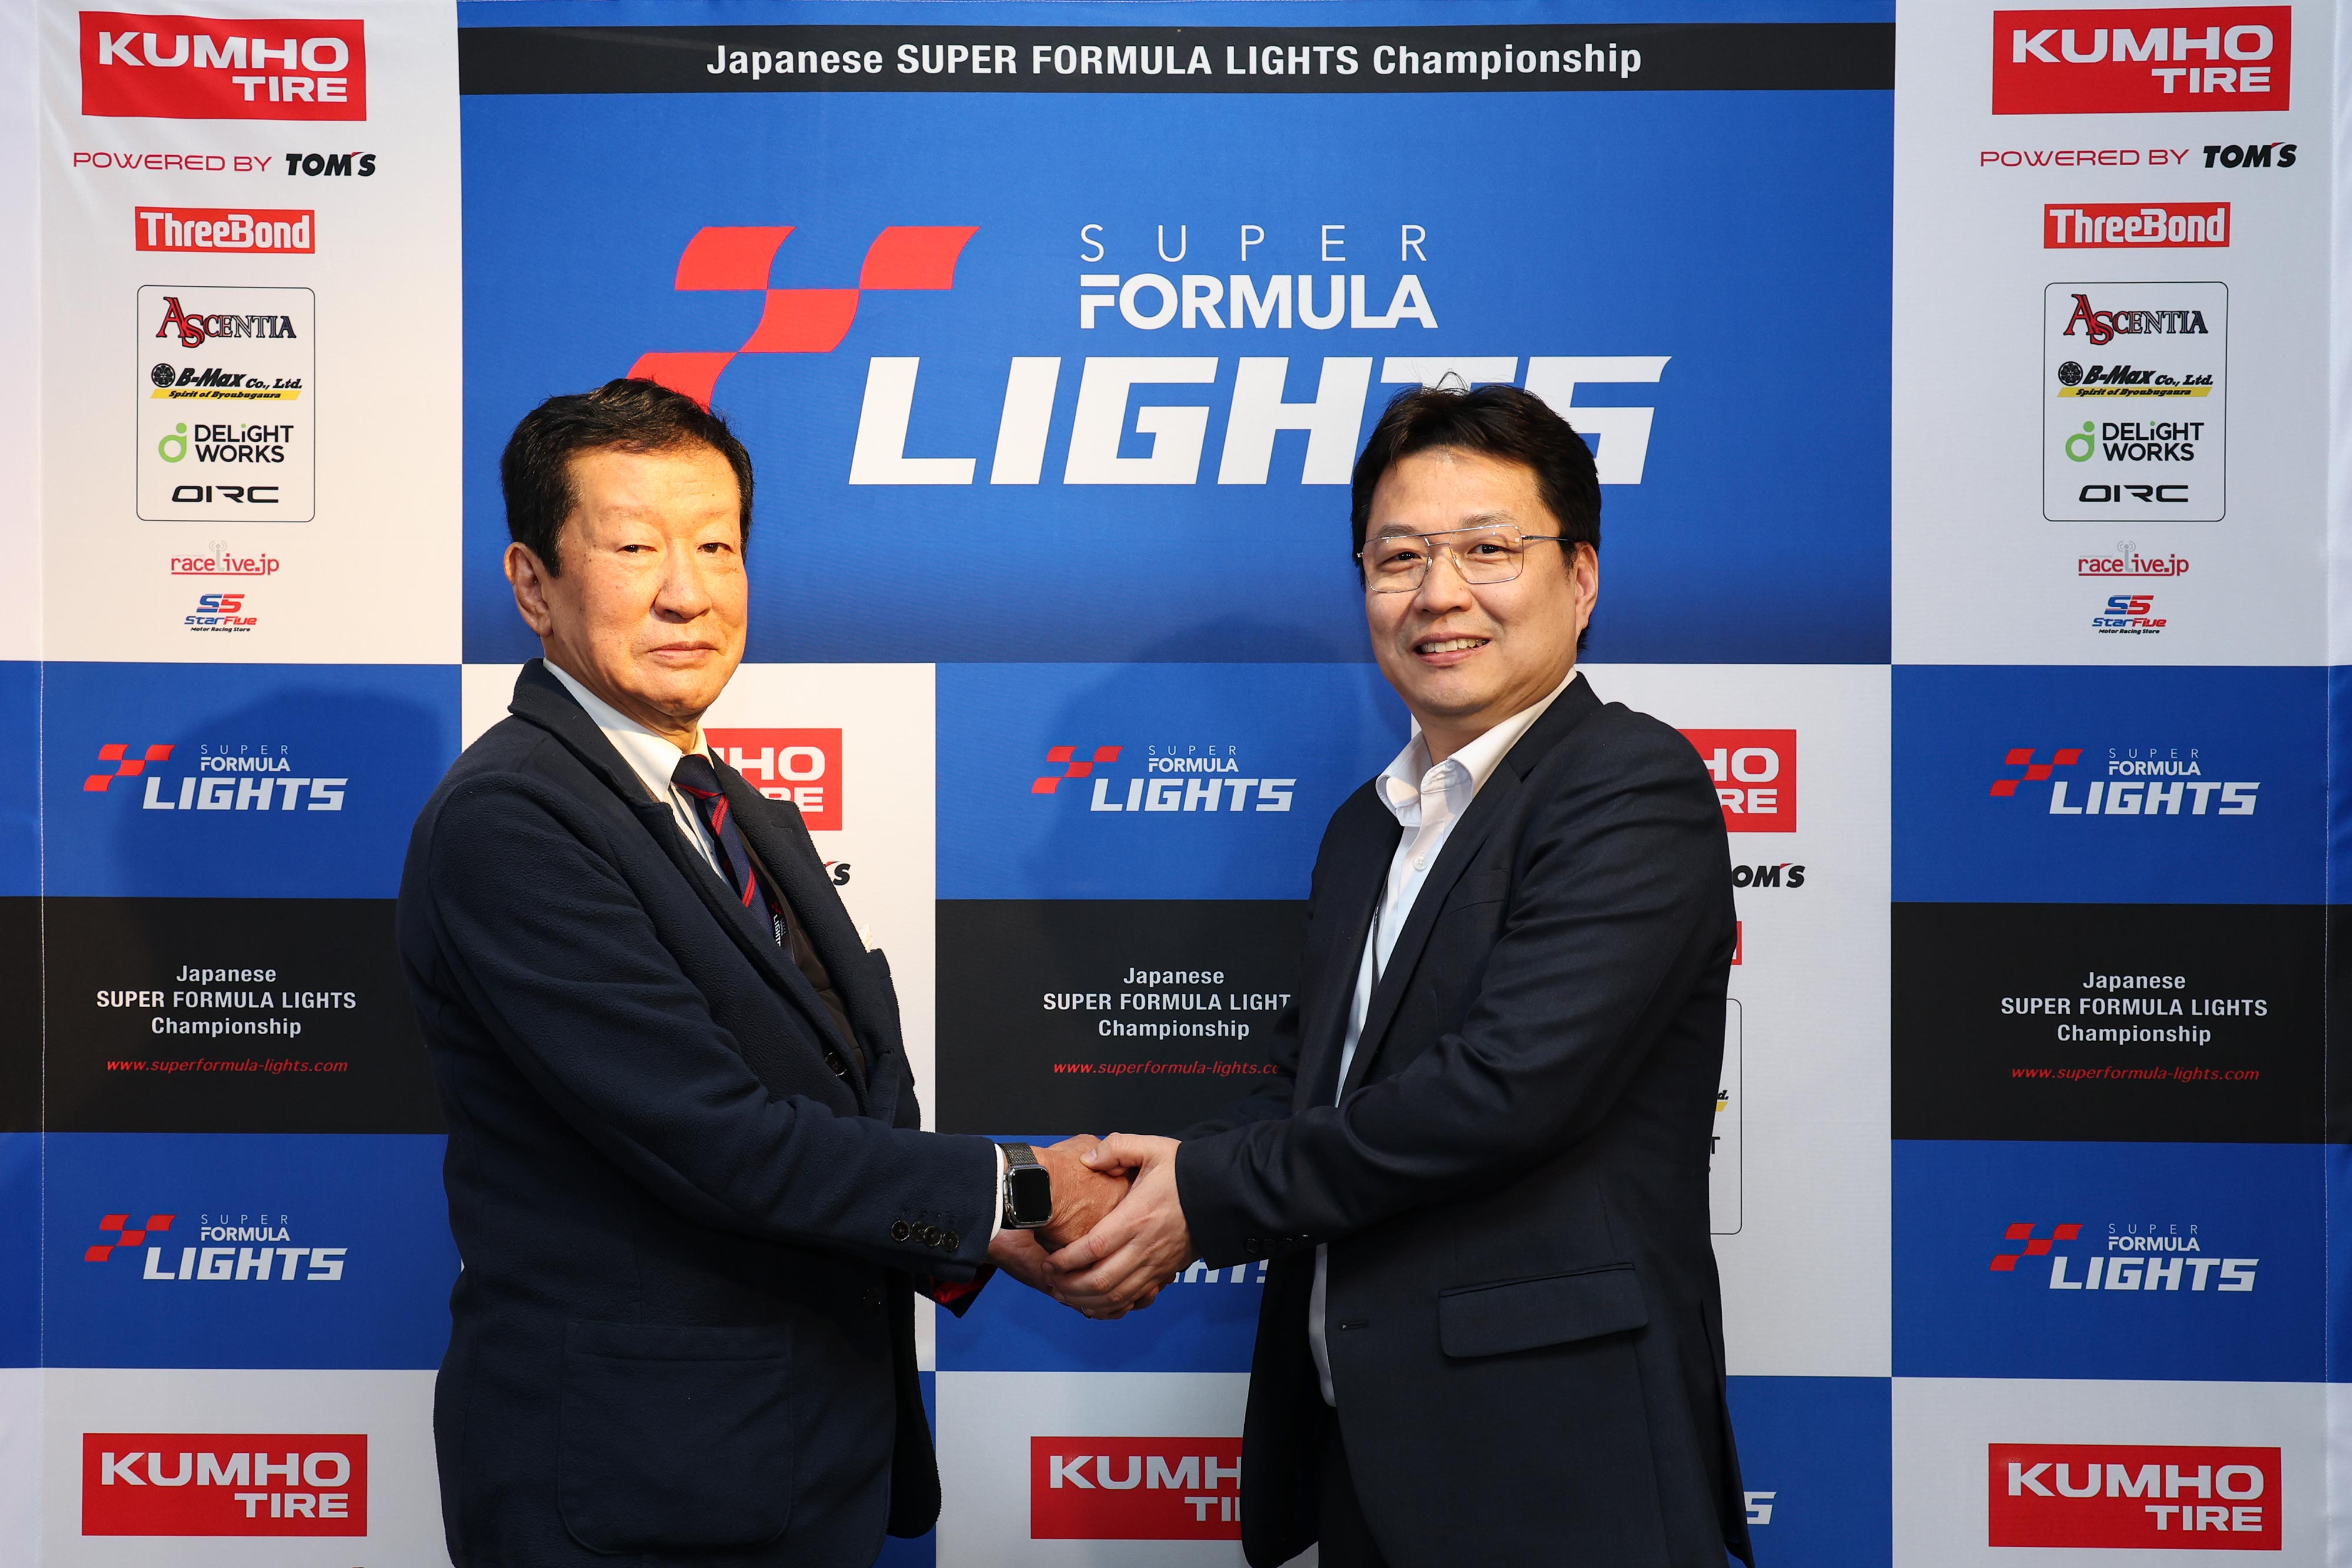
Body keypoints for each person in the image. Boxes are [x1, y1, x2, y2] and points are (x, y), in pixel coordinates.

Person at [396, 378, 1122, 1568]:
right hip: (637, 1487)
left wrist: (982, 1228)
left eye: (717, 546)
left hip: (790, 1458)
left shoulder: (727, 805)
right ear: (532, 583)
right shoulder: (509, 820)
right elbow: (713, 1136)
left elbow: (842, 1093)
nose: (687, 590)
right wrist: (1019, 1192)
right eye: (634, 548)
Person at [1051, 385, 1752, 1567]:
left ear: (1580, 577)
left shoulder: (1628, 784)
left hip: (1558, 1469)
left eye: (1488, 549)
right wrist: (1110, 1187)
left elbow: (1503, 1091)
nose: (1438, 592)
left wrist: (1205, 1194)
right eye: (1398, 557)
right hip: (1367, 1459)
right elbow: (1307, 1096)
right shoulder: (1364, 828)